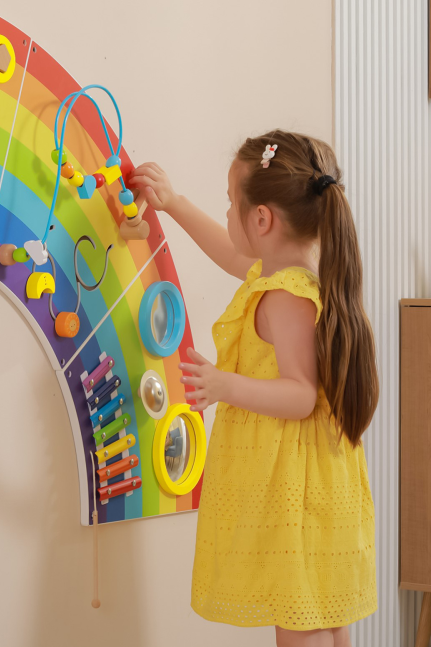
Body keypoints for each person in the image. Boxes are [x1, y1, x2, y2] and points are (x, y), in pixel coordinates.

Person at [128, 130, 378, 647]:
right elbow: (231, 253)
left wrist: (225, 385)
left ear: (262, 219)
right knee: (324, 615)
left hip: (298, 490)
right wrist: (172, 204)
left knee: (300, 619)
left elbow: (301, 394)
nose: (226, 214)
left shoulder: (286, 298)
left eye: (230, 203)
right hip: (322, 480)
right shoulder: (296, 273)